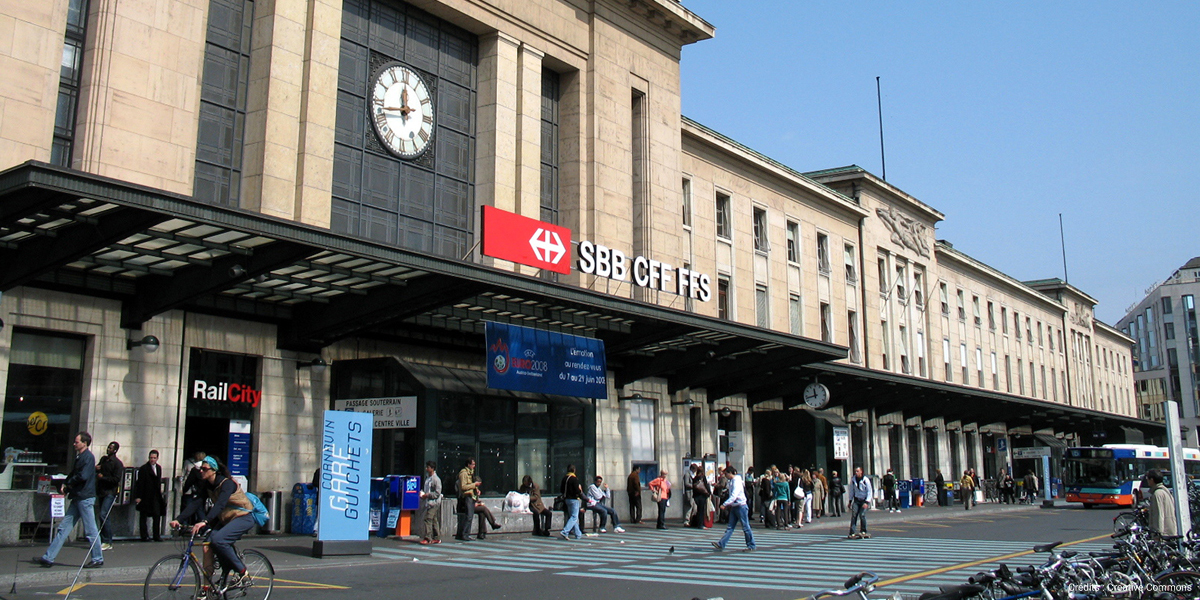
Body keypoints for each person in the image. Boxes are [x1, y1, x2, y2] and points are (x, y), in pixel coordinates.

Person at [169, 456, 256, 591]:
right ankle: (206, 588)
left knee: (219, 540)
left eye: (204, 469)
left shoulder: (227, 484)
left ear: (213, 470)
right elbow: (196, 503)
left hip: (243, 517)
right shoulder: (207, 486)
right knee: (207, 546)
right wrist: (178, 519)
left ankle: (243, 572)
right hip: (226, 519)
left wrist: (204, 521)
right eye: (200, 469)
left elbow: (220, 505)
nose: (201, 472)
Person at [37, 432, 104, 568]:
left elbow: (82, 476)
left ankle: (97, 558)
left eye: (77, 442)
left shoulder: (88, 457)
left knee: (91, 530)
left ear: (84, 443)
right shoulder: (80, 457)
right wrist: (66, 484)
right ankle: (48, 557)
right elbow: (75, 474)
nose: (74, 444)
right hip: (78, 496)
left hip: (84, 498)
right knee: (63, 528)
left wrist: (68, 485)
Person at [711, 466, 755, 552]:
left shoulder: (736, 481)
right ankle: (721, 544)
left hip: (740, 506)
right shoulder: (731, 481)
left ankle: (751, 545)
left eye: (726, 473)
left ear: (730, 473)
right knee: (730, 527)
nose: (726, 475)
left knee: (745, 526)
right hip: (735, 506)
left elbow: (734, 495)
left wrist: (725, 504)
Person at [95, 441, 123, 551]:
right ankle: (104, 539)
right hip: (102, 491)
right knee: (102, 515)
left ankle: (107, 540)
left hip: (110, 492)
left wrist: (103, 477)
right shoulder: (104, 460)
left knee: (103, 514)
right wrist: (97, 469)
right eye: (108, 447)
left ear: (115, 450)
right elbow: (98, 469)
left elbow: (116, 479)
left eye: (111, 448)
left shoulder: (117, 464)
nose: (108, 449)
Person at [133, 449, 167, 542]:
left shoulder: (158, 468)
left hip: (155, 495)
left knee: (157, 515)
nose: (152, 460)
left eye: (154, 458)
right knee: (143, 515)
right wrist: (138, 496)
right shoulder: (144, 468)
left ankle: (156, 535)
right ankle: (144, 536)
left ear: (157, 458)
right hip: (145, 495)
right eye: (151, 458)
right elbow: (140, 483)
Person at [1145, 469, 1178, 536]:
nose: (1147, 480)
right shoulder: (1165, 491)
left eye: (1147, 478)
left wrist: (1158, 533)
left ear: (1152, 480)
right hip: (1170, 529)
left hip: (1164, 533)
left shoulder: (1157, 494)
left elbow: (1159, 515)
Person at [455, 458, 480, 541]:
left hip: (472, 496)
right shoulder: (463, 473)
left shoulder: (471, 473)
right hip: (467, 496)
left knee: (470, 516)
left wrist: (476, 489)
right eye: (472, 464)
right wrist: (474, 485)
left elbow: (471, 485)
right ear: (468, 465)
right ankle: (464, 534)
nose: (474, 466)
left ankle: (466, 534)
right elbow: (463, 487)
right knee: (468, 516)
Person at [179, 451, 207, 525]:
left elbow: (189, 481)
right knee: (200, 509)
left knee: (189, 508)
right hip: (201, 492)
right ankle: (203, 526)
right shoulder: (207, 467)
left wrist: (184, 489)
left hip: (193, 492)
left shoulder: (194, 470)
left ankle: (185, 525)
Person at [419, 461, 442, 544]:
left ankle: (428, 538)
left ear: (432, 469)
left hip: (434, 503)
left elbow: (437, 493)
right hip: (428, 502)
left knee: (428, 519)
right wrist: (422, 493)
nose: (426, 469)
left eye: (428, 467)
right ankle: (437, 537)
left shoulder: (436, 479)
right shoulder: (427, 477)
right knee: (434, 519)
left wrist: (428, 495)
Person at [559, 465, 584, 539]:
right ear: (574, 470)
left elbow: (561, 489)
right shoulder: (574, 479)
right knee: (574, 517)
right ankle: (565, 531)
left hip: (567, 499)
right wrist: (580, 490)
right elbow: (577, 490)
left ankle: (578, 534)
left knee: (572, 517)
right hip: (574, 499)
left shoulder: (564, 478)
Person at [846, 466, 872, 539]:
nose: (856, 473)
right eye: (855, 471)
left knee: (862, 515)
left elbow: (869, 491)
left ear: (861, 472)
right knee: (854, 515)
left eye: (857, 471)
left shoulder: (865, 480)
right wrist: (850, 501)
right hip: (857, 500)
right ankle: (852, 532)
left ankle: (863, 530)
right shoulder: (853, 480)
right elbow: (851, 491)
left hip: (864, 500)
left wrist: (867, 502)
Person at [690, 464, 711, 528]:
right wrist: (708, 493)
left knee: (698, 510)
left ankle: (698, 523)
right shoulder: (702, 478)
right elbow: (706, 485)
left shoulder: (695, 478)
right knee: (701, 510)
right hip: (702, 495)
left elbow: (694, 487)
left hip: (696, 496)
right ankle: (701, 524)